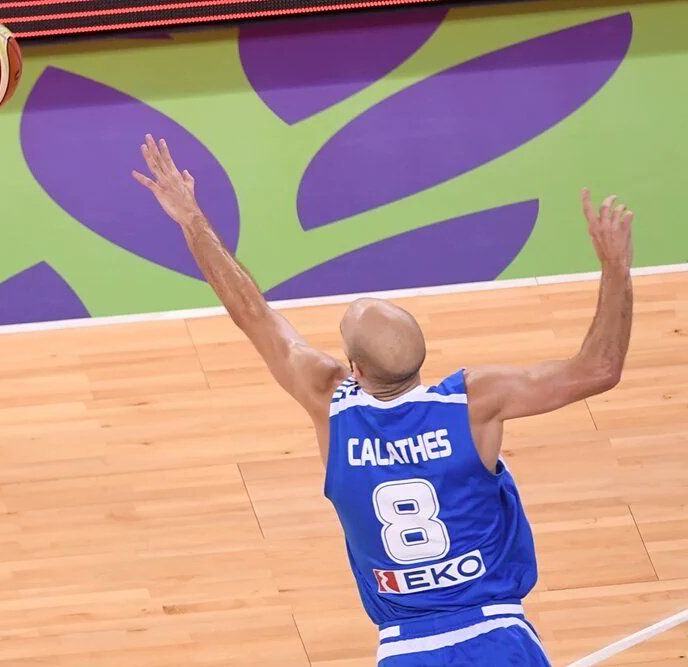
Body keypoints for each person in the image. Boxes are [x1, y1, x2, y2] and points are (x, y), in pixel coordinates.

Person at [133, 135, 633, 665]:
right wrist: (615, 268)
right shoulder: (472, 402)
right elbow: (599, 369)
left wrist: (191, 220)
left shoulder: (331, 404)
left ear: (355, 370)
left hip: (405, 649)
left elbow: (252, 313)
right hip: (497, 635)